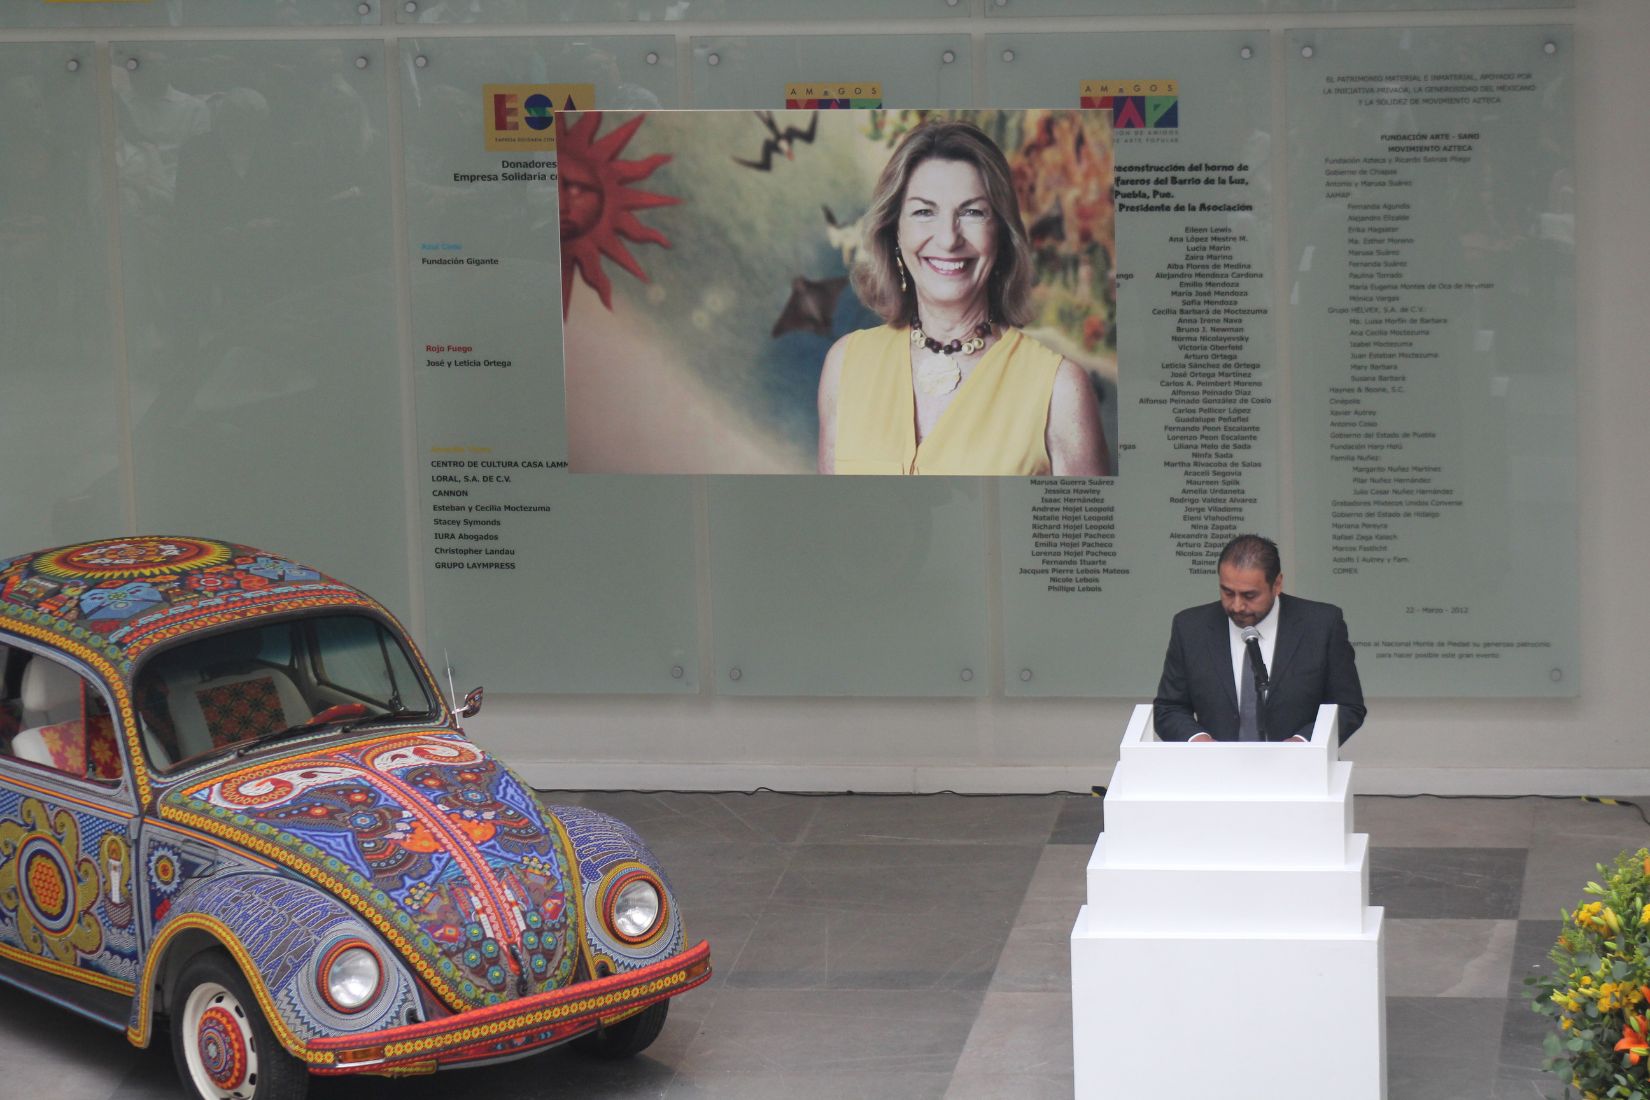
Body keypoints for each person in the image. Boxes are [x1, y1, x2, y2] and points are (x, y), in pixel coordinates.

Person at [816, 120, 1108, 476]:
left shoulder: (1061, 390)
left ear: (1001, 234)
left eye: (972, 212)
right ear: (895, 231)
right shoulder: (845, 365)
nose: (948, 239)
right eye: (924, 212)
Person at [1154, 534, 1365, 744]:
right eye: (1227, 592)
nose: (1237, 606)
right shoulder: (1191, 628)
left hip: (1300, 763)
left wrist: (1304, 743)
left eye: (1249, 595)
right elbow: (1169, 708)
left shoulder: (1321, 625)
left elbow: (1347, 707)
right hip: (1214, 764)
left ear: (1277, 584)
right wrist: (1198, 741)